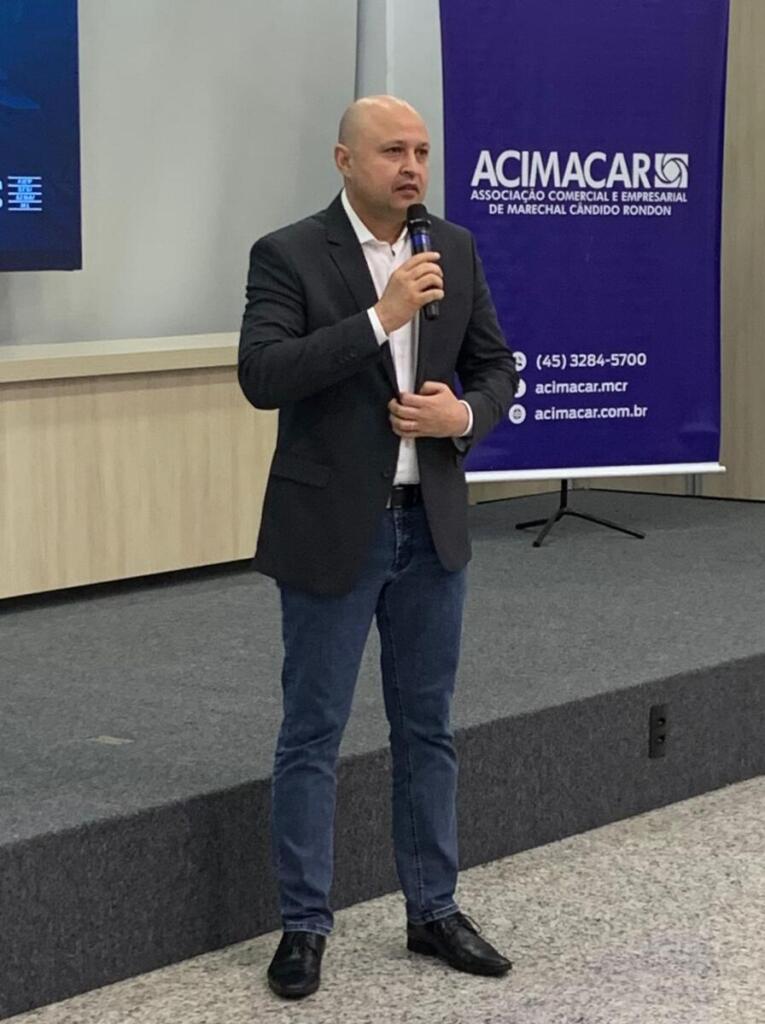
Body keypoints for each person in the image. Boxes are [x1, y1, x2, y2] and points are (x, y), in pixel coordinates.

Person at [238, 95, 519, 1000]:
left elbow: (495, 365)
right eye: (393, 151)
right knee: (312, 731)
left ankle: (433, 909)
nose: (412, 168)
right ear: (344, 160)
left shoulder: (452, 248)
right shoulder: (287, 253)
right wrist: (379, 316)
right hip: (332, 526)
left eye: (422, 152)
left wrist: (461, 414)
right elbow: (262, 375)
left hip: (429, 522)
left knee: (426, 727)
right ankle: (303, 926)